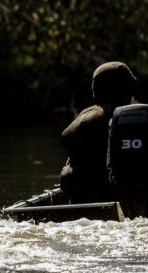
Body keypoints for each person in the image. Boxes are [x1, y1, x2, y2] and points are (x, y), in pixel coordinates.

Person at [59, 61, 137, 203]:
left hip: (80, 200)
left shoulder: (81, 119)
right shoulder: (130, 117)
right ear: (127, 89)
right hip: (115, 196)